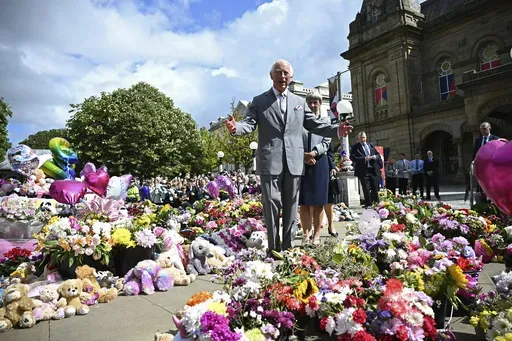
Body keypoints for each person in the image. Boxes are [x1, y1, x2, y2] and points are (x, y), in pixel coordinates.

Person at [225, 59, 352, 254]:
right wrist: (236, 128)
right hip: (270, 161)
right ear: (271, 75)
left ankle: (288, 247)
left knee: (292, 206)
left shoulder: (299, 102)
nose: (282, 76)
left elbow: (315, 125)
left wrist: (337, 130)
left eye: (286, 73)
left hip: (294, 161)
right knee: (272, 204)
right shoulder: (259, 101)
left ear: (291, 77)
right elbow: (248, 124)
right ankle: (274, 248)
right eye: (278, 72)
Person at [298, 91, 331, 245]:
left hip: (319, 162)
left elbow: (326, 142)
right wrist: (304, 155)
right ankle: (306, 234)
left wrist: (313, 153)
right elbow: (294, 139)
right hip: (301, 162)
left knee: (318, 201)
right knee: (303, 202)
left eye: (315, 102)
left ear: (320, 103)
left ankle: (316, 236)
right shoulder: (299, 121)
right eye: (310, 102)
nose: (312, 105)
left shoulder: (326, 121)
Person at [350, 132, 382, 208]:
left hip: (373, 170)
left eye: (364, 137)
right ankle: (368, 204)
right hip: (363, 171)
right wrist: (364, 159)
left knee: (375, 187)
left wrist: (375, 157)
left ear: (366, 137)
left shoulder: (371, 145)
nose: (362, 139)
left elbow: (378, 155)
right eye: (361, 138)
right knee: (366, 188)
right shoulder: (355, 147)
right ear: (358, 138)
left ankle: (377, 203)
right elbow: (352, 157)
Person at [324, 143, 340, 238]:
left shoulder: (323, 133)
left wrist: (332, 167)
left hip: (326, 168)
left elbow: (330, 152)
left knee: (329, 200)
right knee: (312, 202)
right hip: (309, 167)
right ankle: (311, 229)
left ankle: (331, 225)